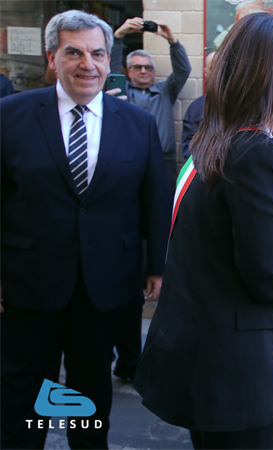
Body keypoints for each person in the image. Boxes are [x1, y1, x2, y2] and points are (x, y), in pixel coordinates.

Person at [133, 13, 273, 450]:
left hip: (199, 350)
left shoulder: (217, 138)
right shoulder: (256, 151)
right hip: (230, 370)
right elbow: (270, 276)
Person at [0, 10, 171, 449]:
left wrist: (157, 267)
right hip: (28, 281)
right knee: (21, 395)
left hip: (105, 285)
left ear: (109, 59)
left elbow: (153, 198)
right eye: (73, 52)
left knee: (88, 395)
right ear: (52, 57)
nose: (87, 64)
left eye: (97, 53)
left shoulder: (137, 123)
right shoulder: (10, 116)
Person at [110, 17, 191, 187]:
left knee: (164, 208)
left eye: (148, 67)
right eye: (137, 67)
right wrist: (118, 36)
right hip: (129, 159)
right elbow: (110, 69)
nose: (143, 71)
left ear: (154, 72)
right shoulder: (121, 91)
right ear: (129, 72)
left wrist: (172, 40)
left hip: (163, 160)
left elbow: (183, 70)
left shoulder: (165, 90)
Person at [181, 50, 215, 158]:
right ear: (206, 73)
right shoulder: (196, 107)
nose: (218, 72)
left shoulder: (242, 104)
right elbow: (188, 147)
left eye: (222, 67)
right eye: (213, 67)